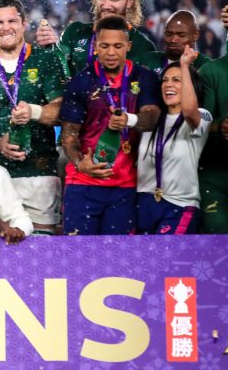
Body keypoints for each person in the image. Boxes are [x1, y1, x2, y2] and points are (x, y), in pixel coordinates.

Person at [0, 0, 67, 235]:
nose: (6, 27)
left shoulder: (45, 60)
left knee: (42, 252)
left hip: (39, 172)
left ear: (24, 23)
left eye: (12, 21)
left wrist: (33, 112)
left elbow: (62, 110)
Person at [60, 16, 161, 235]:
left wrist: (129, 120)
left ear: (128, 46)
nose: (111, 52)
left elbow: (152, 117)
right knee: (79, 259)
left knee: (117, 263)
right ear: (96, 46)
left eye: (118, 46)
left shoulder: (144, 78)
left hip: (124, 187)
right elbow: (68, 135)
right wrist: (80, 163)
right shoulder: (81, 82)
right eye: (104, 46)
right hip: (83, 183)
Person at [136, 47, 211, 234]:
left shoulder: (202, 117)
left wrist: (184, 66)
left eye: (176, 80)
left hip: (179, 206)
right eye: (165, 80)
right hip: (143, 203)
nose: (168, 85)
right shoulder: (152, 120)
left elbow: (189, 112)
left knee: (167, 261)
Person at [36, 0, 156, 76]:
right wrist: (47, 48)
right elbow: (55, 73)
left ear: (129, 2)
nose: (106, 5)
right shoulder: (75, 32)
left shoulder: (142, 47)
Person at [198, 6, 228, 233]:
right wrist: (220, 126)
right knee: (216, 241)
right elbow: (199, 126)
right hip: (215, 176)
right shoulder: (211, 71)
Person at [132, 10, 210, 78]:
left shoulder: (206, 67)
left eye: (181, 35)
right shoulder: (147, 60)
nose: (173, 40)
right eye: (169, 34)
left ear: (195, 35)